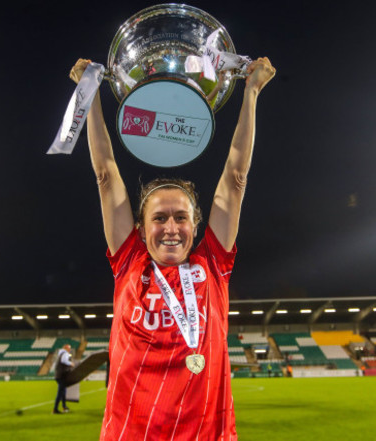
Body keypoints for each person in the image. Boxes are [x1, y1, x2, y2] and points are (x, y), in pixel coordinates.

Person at [70, 56, 275, 440]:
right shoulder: (129, 262)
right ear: (140, 228)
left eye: (180, 218)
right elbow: (105, 174)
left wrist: (251, 93)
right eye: (159, 218)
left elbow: (236, 179)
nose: (170, 228)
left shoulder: (213, 264)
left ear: (196, 225)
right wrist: (90, 94)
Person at [53, 344, 73, 414]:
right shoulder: (64, 353)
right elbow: (64, 361)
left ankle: (64, 407)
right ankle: (55, 409)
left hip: (59, 375)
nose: (70, 350)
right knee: (60, 392)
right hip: (61, 376)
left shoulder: (61, 353)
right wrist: (71, 364)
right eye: (69, 348)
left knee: (63, 391)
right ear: (66, 348)